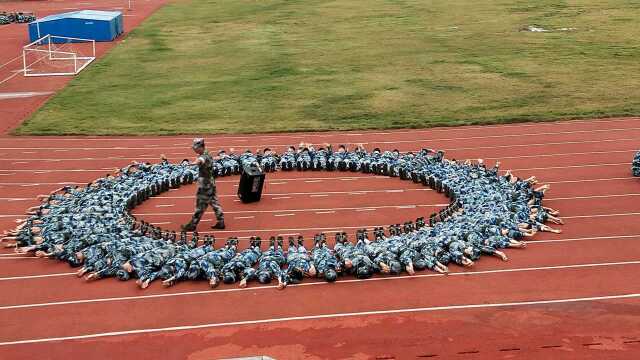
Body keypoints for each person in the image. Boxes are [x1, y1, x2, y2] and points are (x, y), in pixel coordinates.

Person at [181, 138, 225, 231]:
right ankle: (221, 221)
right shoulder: (206, 153)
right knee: (214, 202)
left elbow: (200, 161)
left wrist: (191, 164)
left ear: (201, 147)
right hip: (210, 183)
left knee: (200, 205)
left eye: (195, 148)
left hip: (205, 185)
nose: (194, 149)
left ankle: (192, 224)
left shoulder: (203, 157)